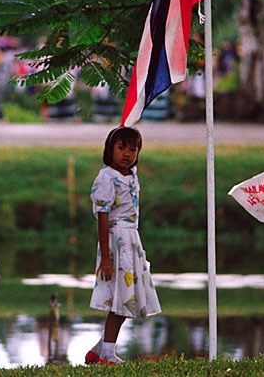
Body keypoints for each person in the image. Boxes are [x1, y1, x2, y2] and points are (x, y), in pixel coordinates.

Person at [85, 127, 161, 365]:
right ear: (110, 150)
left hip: (131, 240)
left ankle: (99, 350)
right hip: (116, 241)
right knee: (121, 299)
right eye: (121, 148)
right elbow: (103, 218)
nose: (127, 154)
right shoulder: (106, 177)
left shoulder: (131, 174)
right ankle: (107, 354)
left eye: (133, 149)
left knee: (129, 298)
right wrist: (106, 257)